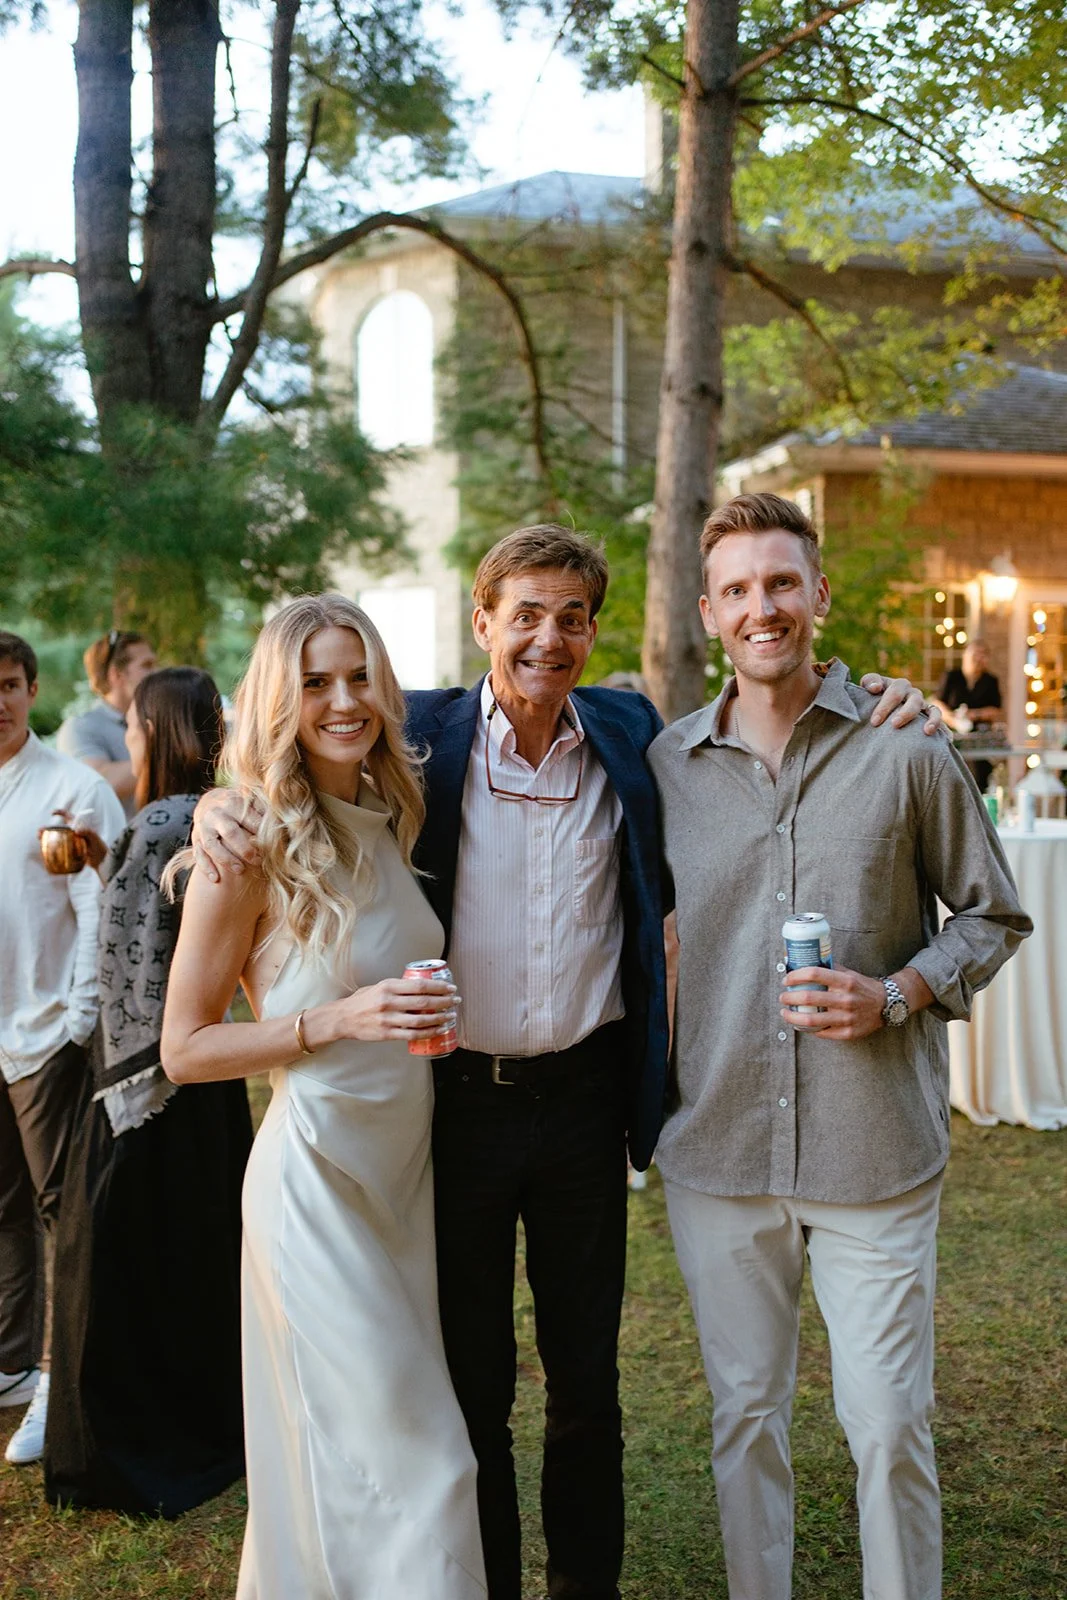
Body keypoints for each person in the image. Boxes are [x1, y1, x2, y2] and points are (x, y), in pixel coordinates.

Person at [193, 524, 938, 1600]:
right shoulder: (423, 745)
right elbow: (290, 781)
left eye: (572, 617)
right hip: (455, 1112)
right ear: (483, 620)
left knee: (588, 1385)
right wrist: (213, 806)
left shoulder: (637, 738)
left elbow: (764, 710)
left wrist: (881, 695)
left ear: (593, 628)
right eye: (525, 615)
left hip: (588, 1107)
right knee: (473, 1389)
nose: (548, 639)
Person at [647, 493, 1031, 1600]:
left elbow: (989, 913)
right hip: (715, 1146)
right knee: (743, 1417)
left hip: (872, 1150)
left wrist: (898, 991)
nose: (759, 607)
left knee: (888, 1427)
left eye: (779, 583)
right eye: (735, 590)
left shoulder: (904, 750)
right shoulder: (667, 769)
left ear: (815, 596)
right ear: (710, 614)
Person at [160, 596, 486, 1599]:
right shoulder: (245, 840)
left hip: (399, 1186)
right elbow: (184, 1047)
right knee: (428, 1469)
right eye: (313, 683)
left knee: (337, 1475)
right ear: (278, 699)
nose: (343, 700)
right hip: (314, 1191)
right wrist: (334, 1022)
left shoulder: (392, 807)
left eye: (357, 676)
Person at [44, 667, 253, 1517]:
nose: (124, 738)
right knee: (196, 1262)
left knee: (115, 1270)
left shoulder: (165, 821)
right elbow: (155, 938)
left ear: (158, 732)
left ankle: (129, 1455)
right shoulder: (201, 818)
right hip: (201, 1084)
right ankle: (210, 1426)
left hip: (148, 1084)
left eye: (133, 725)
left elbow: (134, 975)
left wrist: (115, 1081)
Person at [0, 632, 126, 1467]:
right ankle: (12, 1363)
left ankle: (58, 1383)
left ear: (32, 689)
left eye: (8, 684)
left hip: (45, 1035)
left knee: (60, 1215)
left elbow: (105, 912)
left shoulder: (73, 789)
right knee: (1, 1209)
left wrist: (77, 1024)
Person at [58, 630, 158, 817]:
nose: (156, 673)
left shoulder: (154, 720)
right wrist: (171, 750)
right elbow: (102, 783)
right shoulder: (81, 727)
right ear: (117, 674)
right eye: (147, 665)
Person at [931, 637, 1003, 793]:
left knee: (978, 781)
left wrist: (973, 715)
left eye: (983, 654)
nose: (978, 658)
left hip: (979, 740)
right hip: (951, 736)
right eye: (975, 654)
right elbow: (937, 702)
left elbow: (996, 710)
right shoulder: (952, 676)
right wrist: (953, 719)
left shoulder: (990, 681)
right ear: (965, 655)